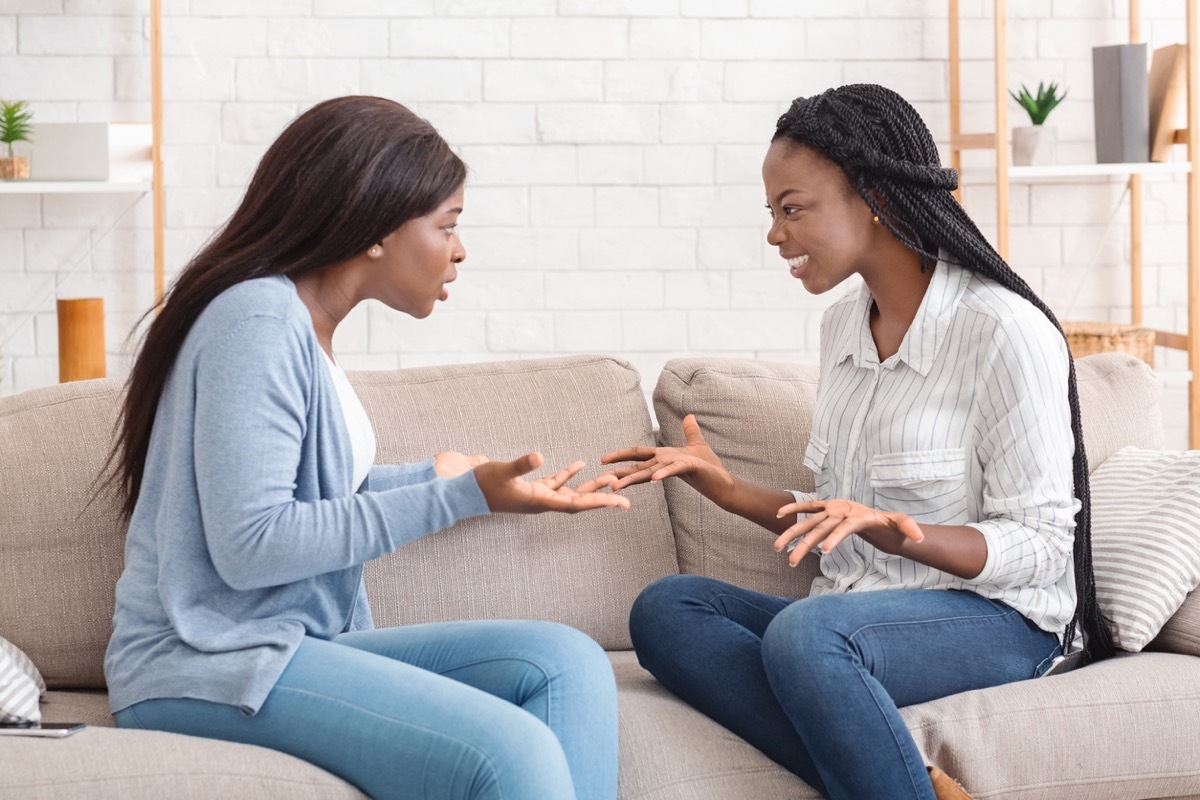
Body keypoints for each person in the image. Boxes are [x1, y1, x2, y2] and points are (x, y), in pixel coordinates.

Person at [103, 96, 627, 800]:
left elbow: (302, 498)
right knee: (510, 750)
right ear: (377, 227)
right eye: (447, 226)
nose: (460, 250)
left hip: (286, 647)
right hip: (203, 660)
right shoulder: (256, 318)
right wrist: (456, 497)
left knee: (568, 662)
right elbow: (251, 543)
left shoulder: (301, 328)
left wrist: (445, 480)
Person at [600, 84, 1113, 800]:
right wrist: (725, 488)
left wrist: (907, 537)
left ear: (871, 197)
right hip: (857, 608)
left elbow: (1043, 543)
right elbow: (843, 518)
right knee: (668, 609)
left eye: (793, 208)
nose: (776, 235)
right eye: (772, 212)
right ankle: (919, 783)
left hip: (1002, 620)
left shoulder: (1003, 330)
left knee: (808, 635)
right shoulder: (842, 328)